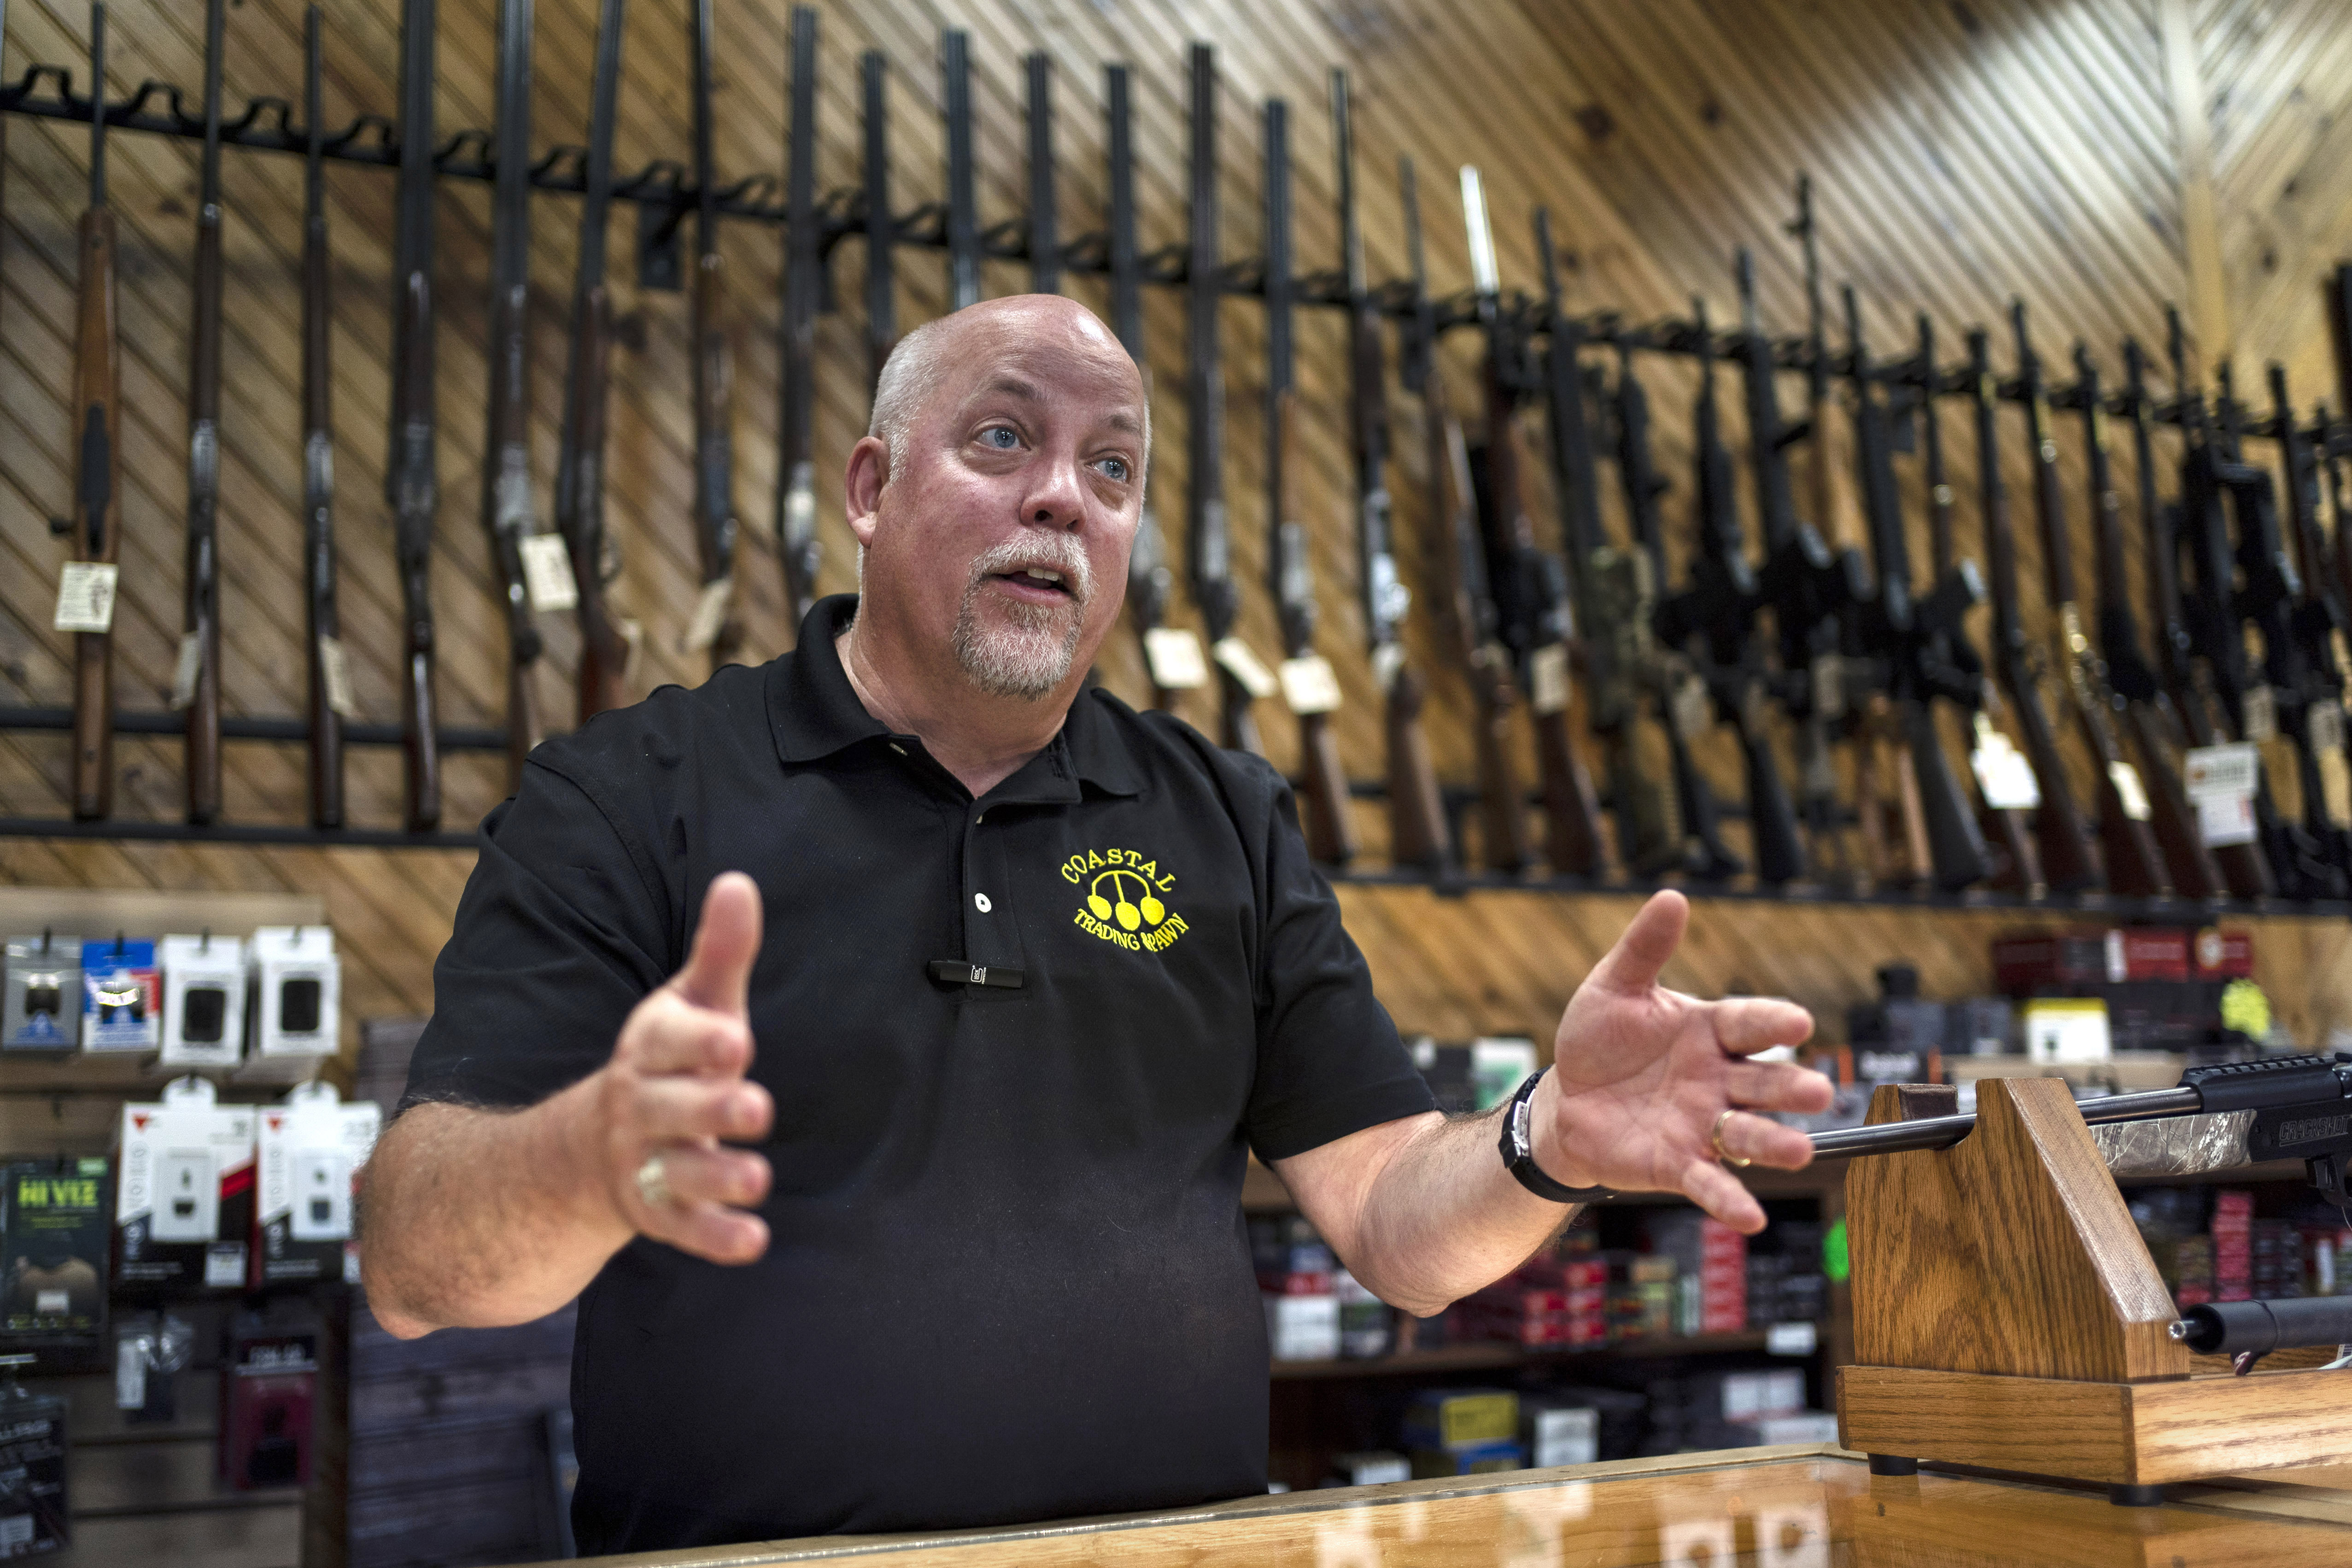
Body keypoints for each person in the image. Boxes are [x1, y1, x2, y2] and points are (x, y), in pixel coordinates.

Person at [358, 294, 1831, 1554]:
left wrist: (1546, 1139)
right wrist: (587, 1155)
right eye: (1002, 439)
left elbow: (1392, 1218)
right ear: (869, 491)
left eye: (1109, 465)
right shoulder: (629, 795)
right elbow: (418, 1262)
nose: (1062, 494)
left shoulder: (1226, 815)